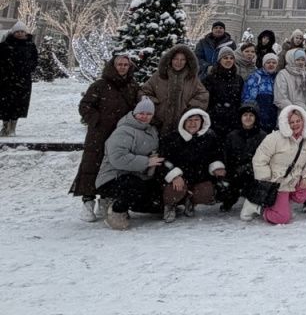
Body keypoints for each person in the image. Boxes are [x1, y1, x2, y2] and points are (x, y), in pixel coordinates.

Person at [70, 52, 140, 221]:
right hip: (99, 133)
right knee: (91, 165)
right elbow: (85, 106)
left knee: (112, 166)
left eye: (126, 65)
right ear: (113, 66)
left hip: (120, 133)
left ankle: (106, 197)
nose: (122, 67)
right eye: (119, 64)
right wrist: (97, 120)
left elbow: (137, 107)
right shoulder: (99, 85)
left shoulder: (133, 86)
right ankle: (87, 200)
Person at [241, 105, 306, 224]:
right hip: (277, 183)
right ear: (285, 123)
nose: (295, 124)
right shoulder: (274, 138)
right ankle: (255, 207)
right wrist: (266, 179)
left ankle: (283, 203)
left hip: (293, 181)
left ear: (303, 121)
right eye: (291, 122)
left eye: (298, 121)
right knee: (282, 218)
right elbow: (259, 159)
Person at [94, 97, 163, 230]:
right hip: (113, 177)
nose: (144, 117)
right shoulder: (123, 131)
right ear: (134, 113)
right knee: (133, 187)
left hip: (137, 175)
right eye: (141, 113)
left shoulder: (151, 131)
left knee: (154, 199)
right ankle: (116, 210)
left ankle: (129, 204)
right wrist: (147, 161)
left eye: (149, 114)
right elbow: (118, 158)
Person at [158, 108, 224, 222]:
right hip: (179, 178)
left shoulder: (210, 137)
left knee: (207, 192)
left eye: (196, 120)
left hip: (199, 177)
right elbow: (164, 161)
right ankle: (170, 205)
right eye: (189, 120)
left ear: (202, 121)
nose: (193, 123)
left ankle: (190, 201)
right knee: (175, 189)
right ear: (183, 122)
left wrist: (217, 166)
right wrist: (175, 175)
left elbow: (216, 155)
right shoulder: (171, 138)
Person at [139, 45, 209, 137]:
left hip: (182, 127)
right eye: (175, 59)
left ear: (187, 61)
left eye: (182, 59)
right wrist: (156, 105)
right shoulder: (159, 76)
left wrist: (189, 107)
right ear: (170, 60)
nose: (178, 62)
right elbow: (143, 93)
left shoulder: (191, 78)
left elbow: (203, 95)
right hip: (159, 125)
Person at [220, 102, 267, 212]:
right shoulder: (232, 136)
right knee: (225, 189)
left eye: (251, 115)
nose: (248, 118)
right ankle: (228, 201)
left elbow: (264, 158)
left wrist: (248, 167)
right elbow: (227, 157)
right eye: (245, 115)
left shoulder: (263, 136)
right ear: (240, 117)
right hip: (235, 173)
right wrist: (233, 171)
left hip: (254, 173)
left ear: (256, 118)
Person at [0, 21, 41, 135]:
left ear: (25, 33)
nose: (20, 34)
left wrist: (28, 69)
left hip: (23, 80)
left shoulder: (30, 45)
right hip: (6, 80)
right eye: (17, 31)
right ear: (13, 33)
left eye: (22, 31)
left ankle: (13, 127)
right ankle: (5, 126)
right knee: (5, 104)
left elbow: (35, 60)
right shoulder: (5, 45)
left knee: (18, 104)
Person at [205, 46, 245, 137]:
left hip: (233, 120)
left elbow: (240, 99)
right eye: (225, 58)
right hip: (214, 120)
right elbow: (206, 99)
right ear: (220, 60)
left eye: (231, 58)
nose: (228, 60)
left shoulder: (238, 79)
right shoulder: (210, 78)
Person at [242, 53, 279, 132]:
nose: (271, 64)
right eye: (268, 62)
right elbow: (248, 98)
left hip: (273, 114)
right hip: (259, 113)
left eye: (274, 62)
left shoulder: (278, 77)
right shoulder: (256, 76)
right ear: (264, 64)